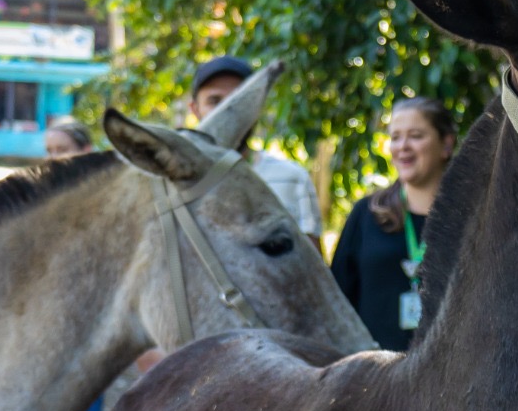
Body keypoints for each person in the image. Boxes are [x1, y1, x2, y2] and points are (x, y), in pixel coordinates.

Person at [24, 117, 104, 411]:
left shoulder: (102, 204)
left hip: (90, 332)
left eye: (63, 149)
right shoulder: (43, 200)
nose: (53, 159)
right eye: (49, 150)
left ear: (86, 153)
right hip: (47, 332)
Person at [329, 95, 455, 351]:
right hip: (376, 376)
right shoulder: (366, 214)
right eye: (395, 137)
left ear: (446, 144)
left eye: (416, 135)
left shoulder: (469, 218)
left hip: (451, 373)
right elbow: (336, 303)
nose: (402, 146)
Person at [187, 55, 321, 236]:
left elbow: (311, 261)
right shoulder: (177, 188)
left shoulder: (292, 178)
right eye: (215, 101)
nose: (228, 110)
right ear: (195, 109)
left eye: (239, 99)